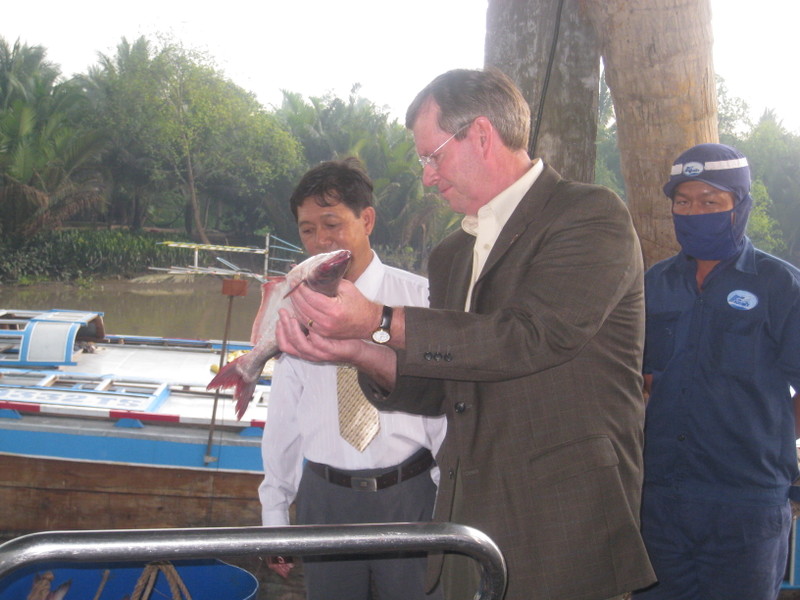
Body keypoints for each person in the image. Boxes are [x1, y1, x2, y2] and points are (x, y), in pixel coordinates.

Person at [274, 68, 655, 600]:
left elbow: (529, 336)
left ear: (480, 134)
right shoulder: (452, 254)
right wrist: (358, 349)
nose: (427, 177)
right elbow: (439, 384)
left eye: (432, 157)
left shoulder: (589, 217)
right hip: (465, 522)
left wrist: (380, 320)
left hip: (561, 523)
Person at [258, 157, 446, 600]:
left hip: (410, 496)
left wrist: (447, 497)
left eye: (332, 224)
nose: (319, 240)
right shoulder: (296, 307)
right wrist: (275, 514)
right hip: (326, 499)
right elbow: (283, 417)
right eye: (307, 229)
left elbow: (444, 407)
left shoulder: (419, 300)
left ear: (366, 220)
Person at [634, 143, 800, 600]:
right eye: (683, 202)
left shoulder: (780, 285)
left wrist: (775, 461)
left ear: (740, 205)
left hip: (746, 508)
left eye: (710, 202)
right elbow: (642, 382)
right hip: (660, 503)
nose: (694, 212)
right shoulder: (653, 283)